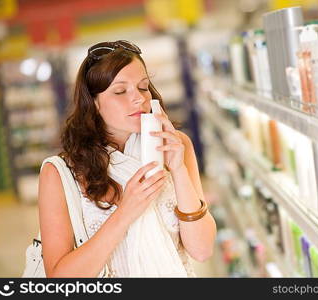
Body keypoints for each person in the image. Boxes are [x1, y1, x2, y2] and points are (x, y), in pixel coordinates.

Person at [38, 40, 217, 277]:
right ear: (93, 102)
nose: (139, 99)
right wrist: (126, 211)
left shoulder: (176, 145)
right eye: (120, 91)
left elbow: (202, 250)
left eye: (143, 87)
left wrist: (179, 170)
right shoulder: (60, 172)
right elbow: (59, 279)